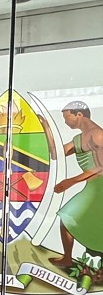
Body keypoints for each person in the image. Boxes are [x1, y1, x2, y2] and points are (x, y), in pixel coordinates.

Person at [51, 101, 103, 267]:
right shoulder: (79, 139)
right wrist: (47, 128)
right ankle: (67, 258)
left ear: (79, 114)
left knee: (70, 216)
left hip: (100, 188)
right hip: (92, 187)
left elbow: (101, 167)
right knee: (67, 217)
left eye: (67, 117)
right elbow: (56, 154)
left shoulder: (98, 135)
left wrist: (71, 181)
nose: (66, 121)